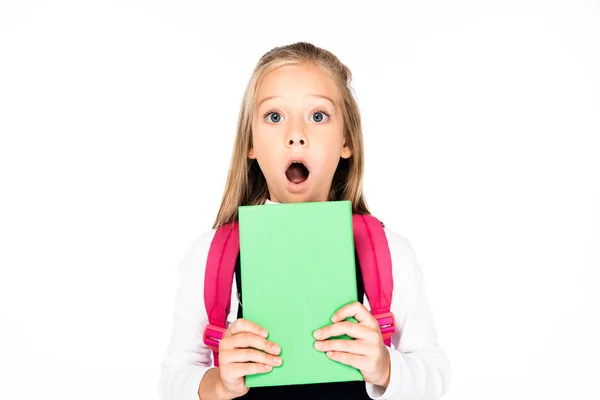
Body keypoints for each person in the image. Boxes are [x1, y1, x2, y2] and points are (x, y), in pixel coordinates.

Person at [157, 41, 451, 400]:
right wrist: (218, 383)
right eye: (275, 116)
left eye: (318, 116)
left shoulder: (388, 252)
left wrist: (385, 367)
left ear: (347, 141)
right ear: (251, 142)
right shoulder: (212, 256)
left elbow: (435, 375)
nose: (296, 134)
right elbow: (173, 379)